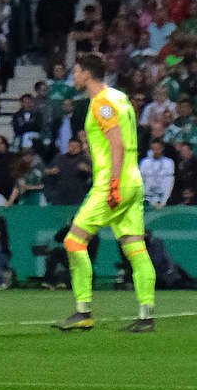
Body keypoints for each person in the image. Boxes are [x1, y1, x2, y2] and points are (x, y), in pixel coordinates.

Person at [52, 53, 156, 333]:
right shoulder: (120, 98)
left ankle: (83, 311)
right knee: (136, 248)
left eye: (76, 71)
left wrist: (111, 184)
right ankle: (146, 316)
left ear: (87, 73)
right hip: (133, 180)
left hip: (114, 181)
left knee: (74, 241)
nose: (73, 76)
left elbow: (117, 144)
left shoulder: (102, 103)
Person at [139, 139, 174, 210]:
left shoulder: (168, 162)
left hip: (160, 198)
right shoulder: (145, 162)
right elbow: (140, 181)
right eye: (153, 149)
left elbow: (168, 184)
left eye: (157, 149)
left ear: (162, 149)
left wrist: (164, 201)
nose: (155, 151)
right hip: (145, 198)